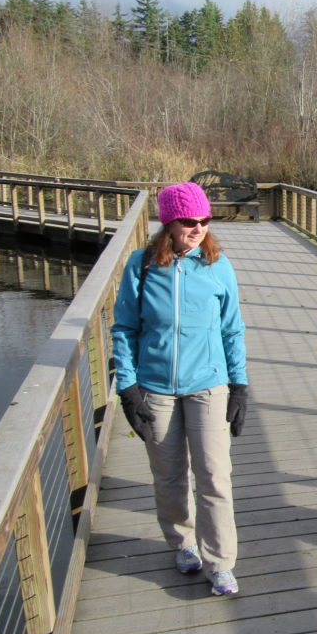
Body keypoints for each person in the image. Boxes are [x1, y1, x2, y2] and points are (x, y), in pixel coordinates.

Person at [111, 181, 248, 596]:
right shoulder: (141, 265)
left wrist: (239, 384)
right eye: (190, 221)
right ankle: (182, 542)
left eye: (205, 220)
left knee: (214, 476)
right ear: (169, 223)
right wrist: (128, 386)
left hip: (208, 384)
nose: (199, 228)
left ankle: (221, 563)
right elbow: (123, 328)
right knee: (169, 475)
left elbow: (232, 329)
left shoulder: (218, 265)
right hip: (154, 388)